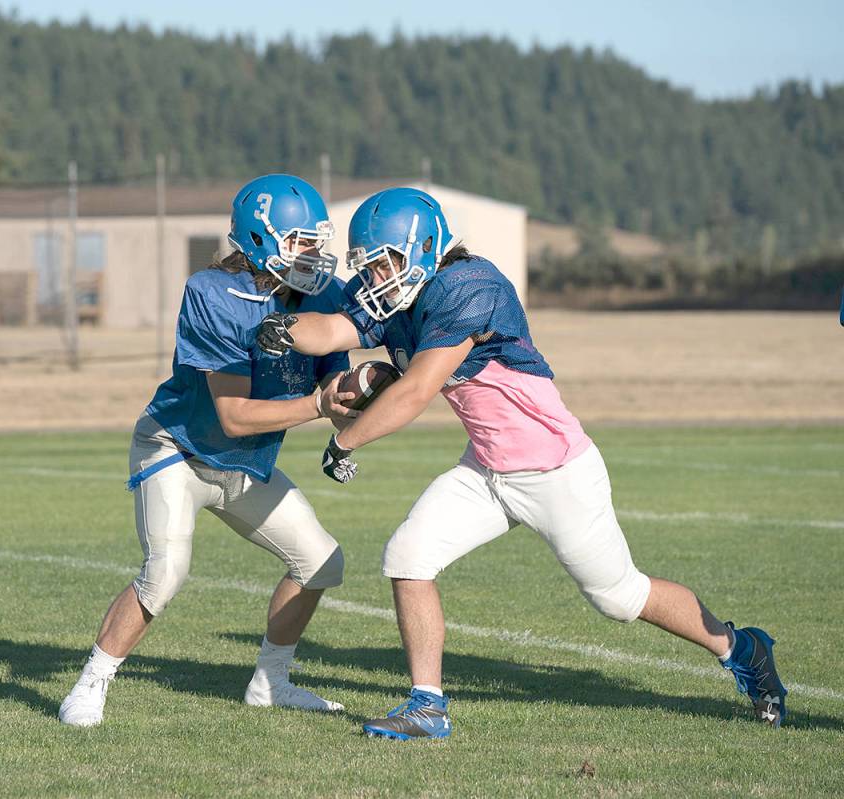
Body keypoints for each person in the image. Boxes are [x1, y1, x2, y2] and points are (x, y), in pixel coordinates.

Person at [256, 187, 788, 739]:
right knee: (407, 557)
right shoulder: (399, 297)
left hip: (554, 470)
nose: (377, 277)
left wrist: (346, 442)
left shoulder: (470, 286)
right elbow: (336, 330)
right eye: (370, 267)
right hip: (488, 469)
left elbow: (416, 390)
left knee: (620, 596)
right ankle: (427, 706)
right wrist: (282, 331)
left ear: (424, 247)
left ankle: (741, 648)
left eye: (385, 262)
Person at [59, 174, 358, 727]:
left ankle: (271, 682)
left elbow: (337, 384)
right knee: (166, 570)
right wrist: (319, 406)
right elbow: (234, 415)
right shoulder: (214, 294)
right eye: (300, 242)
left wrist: (361, 398)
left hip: (243, 464)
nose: (314, 255)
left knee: (321, 562)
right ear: (259, 240)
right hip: (178, 449)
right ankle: (92, 681)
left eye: (317, 241)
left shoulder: (324, 296)